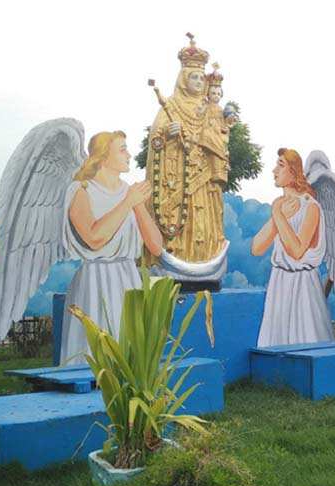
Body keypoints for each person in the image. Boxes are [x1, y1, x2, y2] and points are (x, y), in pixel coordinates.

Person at [60, 131, 163, 365]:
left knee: (130, 347)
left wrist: (136, 204)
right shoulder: (81, 190)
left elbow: (156, 246)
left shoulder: (130, 192)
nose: (129, 154)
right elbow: (94, 238)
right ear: (104, 157)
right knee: (96, 346)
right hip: (96, 280)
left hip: (128, 277)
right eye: (123, 149)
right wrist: (129, 202)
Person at [144, 35, 227, 281]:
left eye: (202, 77)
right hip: (178, 181)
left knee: (204, 221)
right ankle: (177, 256)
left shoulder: (210, 108)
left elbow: (220, 141)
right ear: (183, 79)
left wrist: (206, 139)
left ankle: (203, 260)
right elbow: (155, 142)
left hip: (204, 180)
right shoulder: (170, 107)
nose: (199, 82)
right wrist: (169, 137)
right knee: (181, 221)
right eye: (194, 77)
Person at [251, 148, 332, 346]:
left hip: (301, 284)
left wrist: (278, 215)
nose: (274, 171)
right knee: (275, 340)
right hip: (280, 280)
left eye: (280, 165)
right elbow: (257, 248)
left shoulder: (310, 206)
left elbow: (296, 252)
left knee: (304, 338)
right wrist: (277, 214)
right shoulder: (280, 204)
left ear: (294, 171)